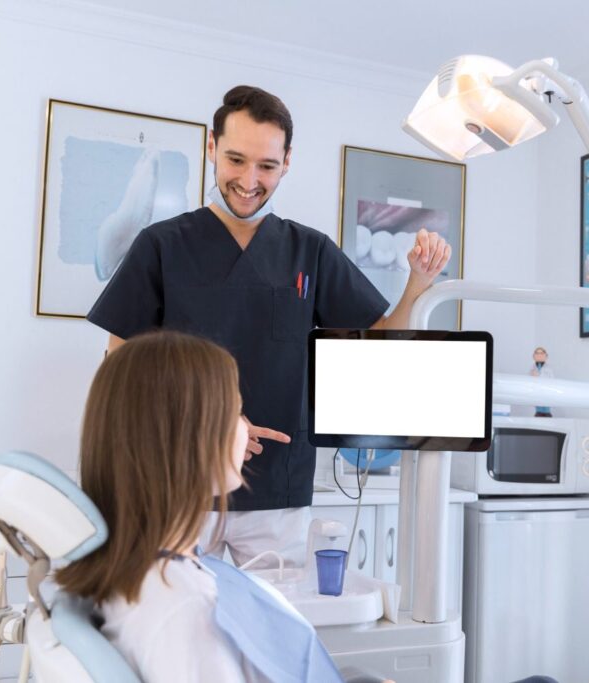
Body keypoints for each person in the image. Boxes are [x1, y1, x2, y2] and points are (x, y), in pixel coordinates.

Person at [87, 85, 451, 567]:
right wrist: (210, 419)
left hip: (278, 494)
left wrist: (417, 285)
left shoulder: (310, 251)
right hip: (176, 486)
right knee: (179, 625)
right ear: (211, 148)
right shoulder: (162, 246)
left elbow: (377, 345)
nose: (248, 180)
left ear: (287, 162)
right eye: (235, 160)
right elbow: (119, 368)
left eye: (267, 166)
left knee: (270, 631)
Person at [55, 330, 345, 682]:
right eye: (238, 412)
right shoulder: (184, 610)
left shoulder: (131, 567)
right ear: (189, 441)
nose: (245, 429)